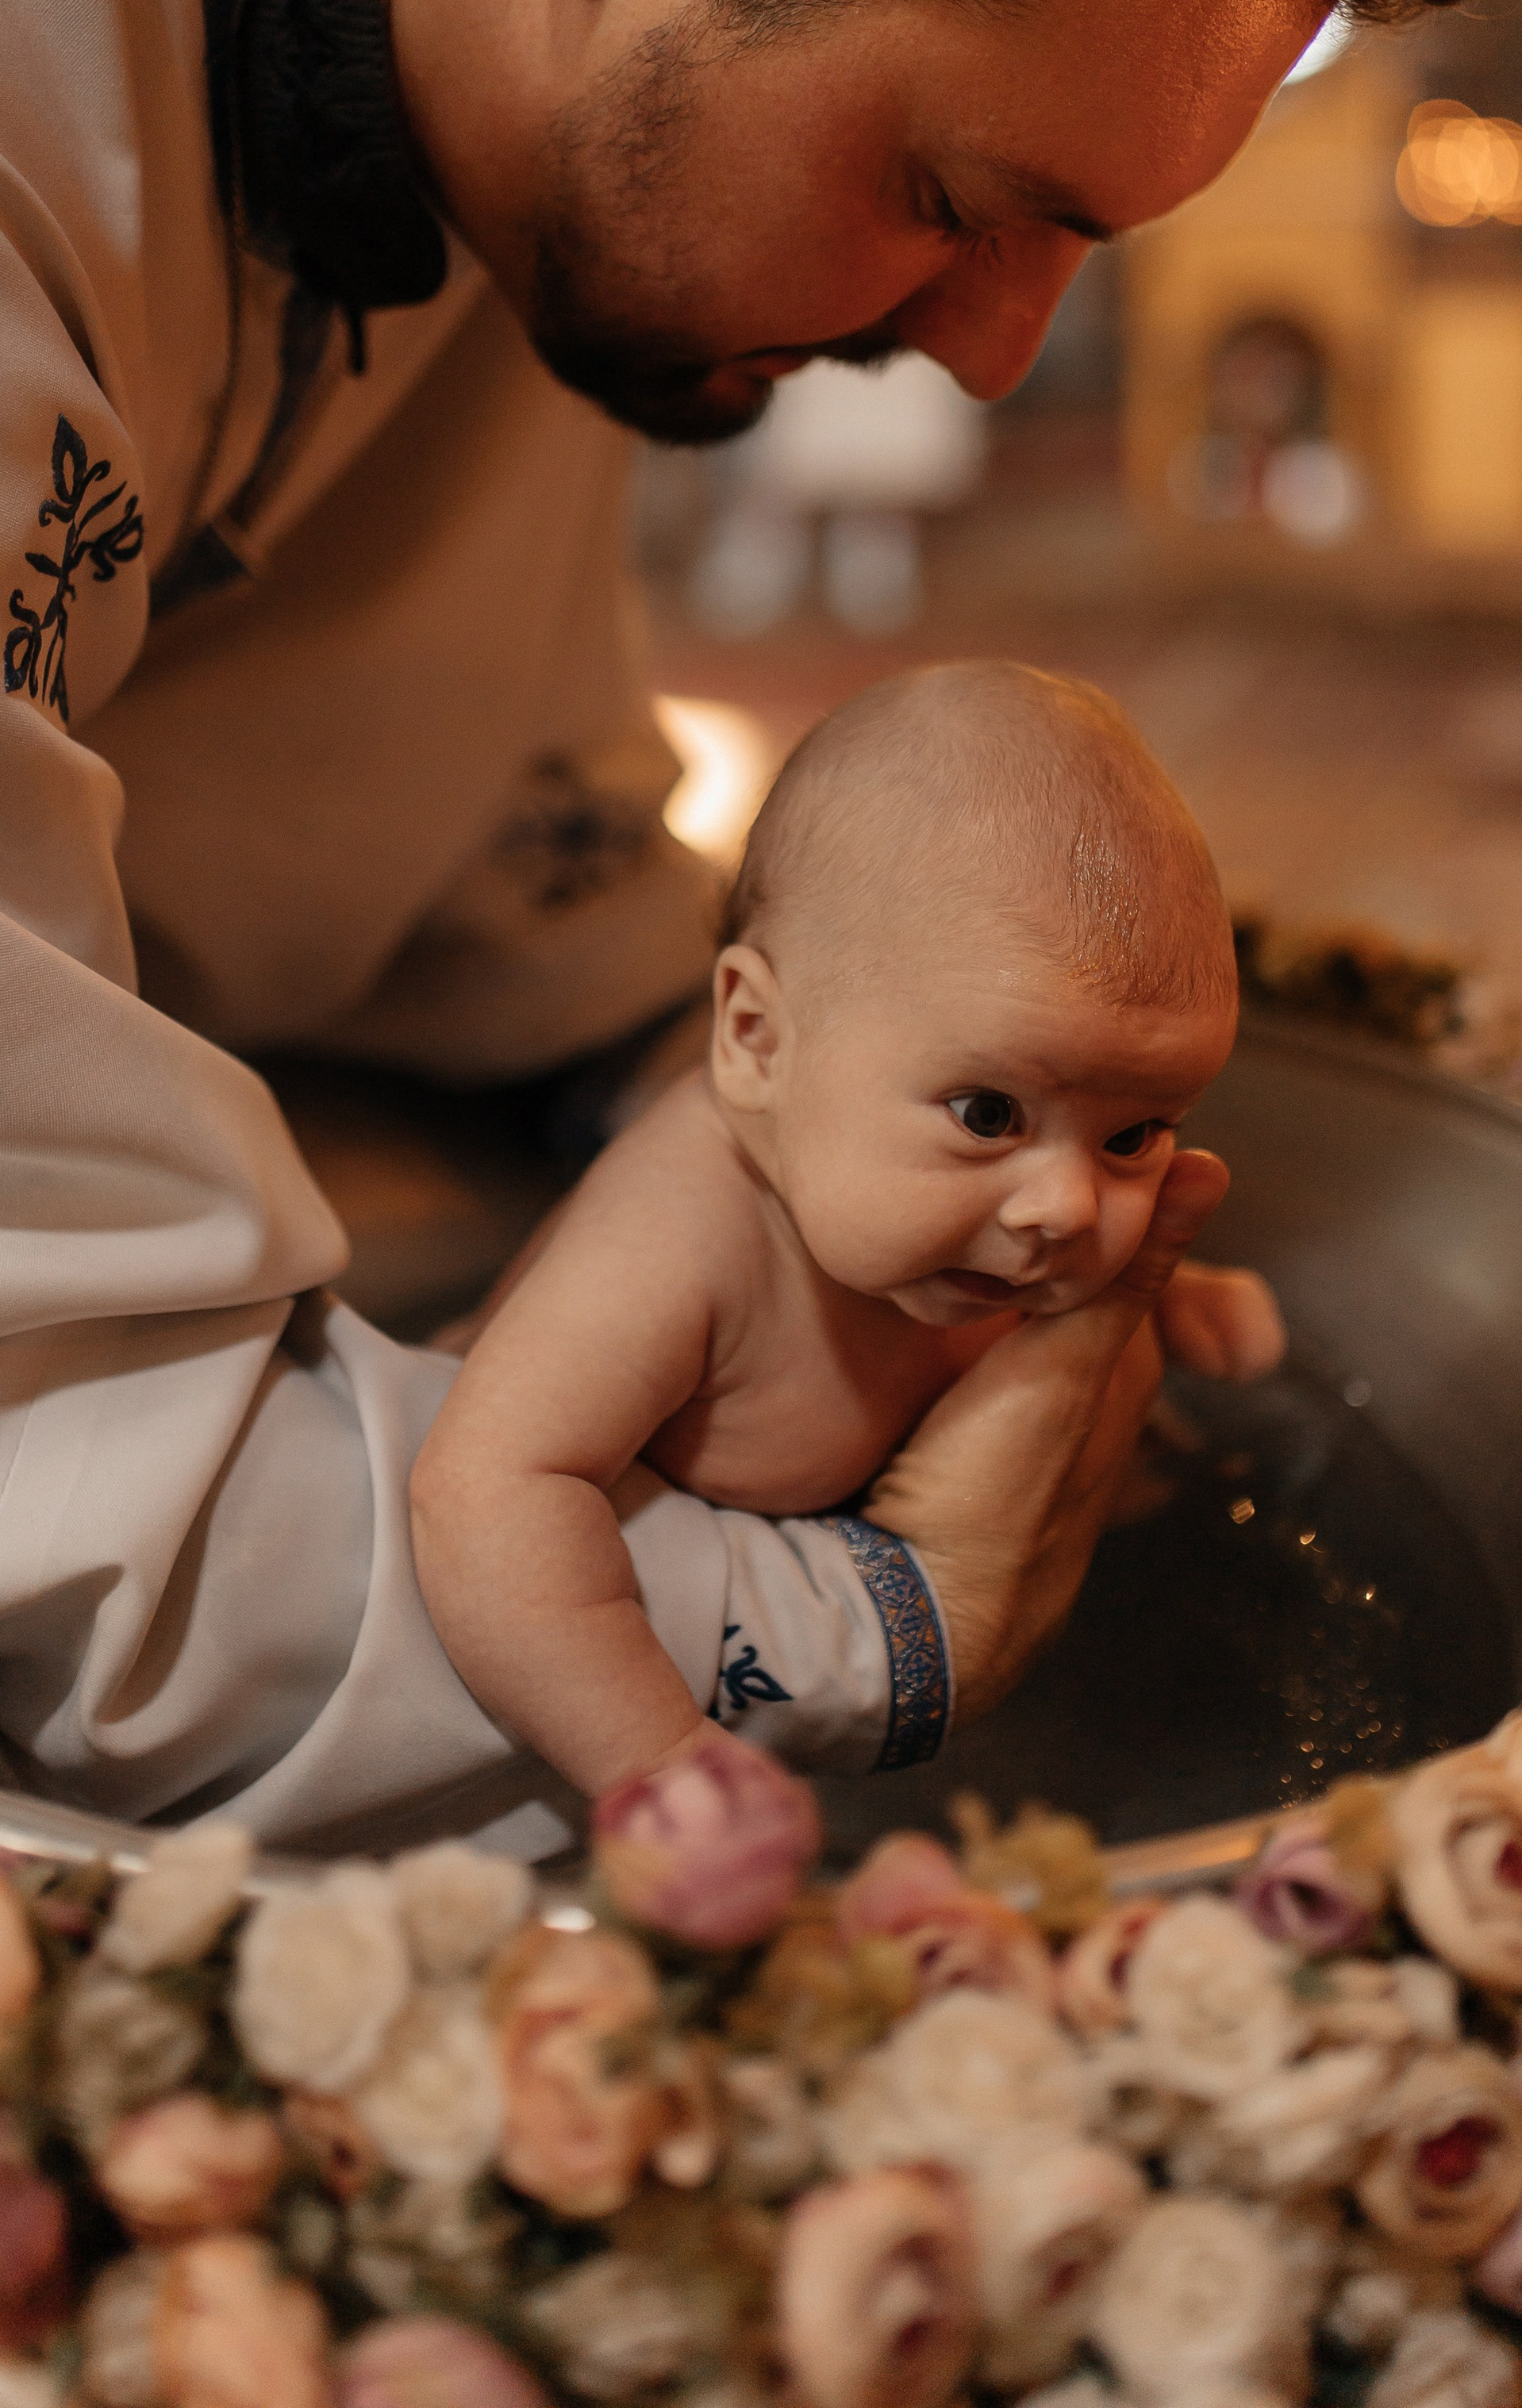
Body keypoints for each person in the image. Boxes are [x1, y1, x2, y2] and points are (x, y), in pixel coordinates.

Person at [0, 0, 1517, 1849]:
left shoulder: (493, 55)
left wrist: (910, 1230)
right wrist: (881, 1604)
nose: (989, 355)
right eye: (962, 197)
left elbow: (470, 888)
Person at [413, 664, 1288, 1798]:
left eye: (1137, 1136)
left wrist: (1180, 1289)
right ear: (758, 1040)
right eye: (988, 1115)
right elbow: (483, 1493)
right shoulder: (680, 1232)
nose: (1069, 1211)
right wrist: (662, 1769)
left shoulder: (970, 1212)